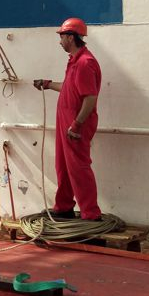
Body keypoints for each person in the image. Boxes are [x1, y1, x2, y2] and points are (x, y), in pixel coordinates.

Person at [32, 17, 103, 221]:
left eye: (62, 36)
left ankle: (91, 213)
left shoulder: (85, 63)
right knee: (63, 166)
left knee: (79, 168)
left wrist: (77, 124)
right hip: (67, 123)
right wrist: (47, 84)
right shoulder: (75, 61)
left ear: (70, 37)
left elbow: (90, 98)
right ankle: (63, 206)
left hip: (76, 125)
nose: (60, 41)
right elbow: (70, 88)